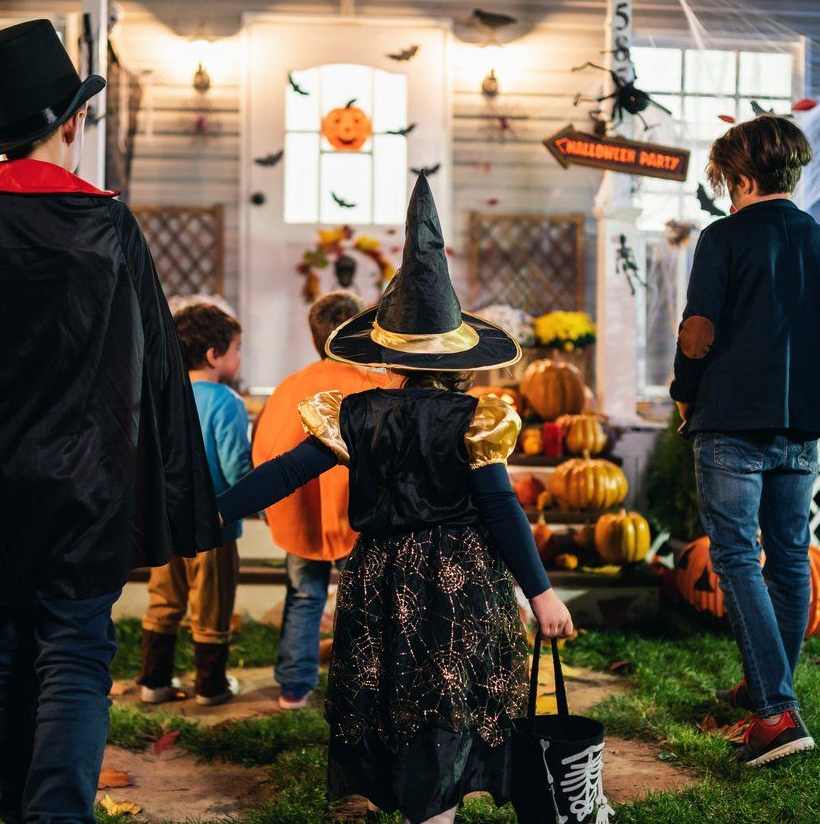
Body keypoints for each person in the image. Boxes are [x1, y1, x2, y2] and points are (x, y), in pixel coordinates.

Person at [0, 20, 221, 824]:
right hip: (90, 482)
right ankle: (55, 813)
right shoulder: (109, 226)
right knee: (76, 652)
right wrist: (164, 475)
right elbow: (156, 364)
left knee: (2, 650)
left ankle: (21, 811)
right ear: (73, 122)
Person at [218, 174, 574, 824]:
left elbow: (286, 471)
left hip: (381, 578)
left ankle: (417, 802)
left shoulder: (355, 414)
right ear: (458, 353)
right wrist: (541, 591)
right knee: (450, 698)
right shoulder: (476, 416)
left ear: (389, 351)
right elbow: (500, 508)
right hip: (462, 579)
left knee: (396, 700)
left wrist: (215, 509)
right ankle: (435, 810)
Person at [670, 114, 820, 768]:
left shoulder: (723, 238)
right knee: (787, 559)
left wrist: (683, 392)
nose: (727, 193)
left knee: (733, 557)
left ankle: (776, 714)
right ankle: (767, 687)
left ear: (746, 178)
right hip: (804, 420)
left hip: (732, 417)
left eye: (728, 181)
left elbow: (698, 330)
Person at [252, 291, 383, 710]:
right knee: (365, 598)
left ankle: (293, 686)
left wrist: (271, 511)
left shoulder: (289, 388)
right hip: (359, 516)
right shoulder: (375, 386)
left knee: (304, 595)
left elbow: (264, 450)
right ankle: (367, 684)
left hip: (299, 513)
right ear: (361, 334)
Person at [137, 302, 251, 706]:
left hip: (166, 520)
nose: (240, 357)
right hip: (213, 524)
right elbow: (236, 463)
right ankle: (210, 685)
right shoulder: (226, 403)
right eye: (237, 348)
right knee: (212, 604)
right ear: (214, 355)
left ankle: (153, 681)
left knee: (164, 598)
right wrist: (256, 501)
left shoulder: (164, 395)